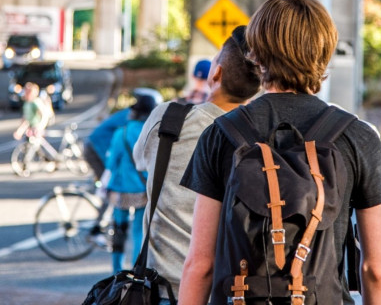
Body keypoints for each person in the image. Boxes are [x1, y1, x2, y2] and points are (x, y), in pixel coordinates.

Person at [179, 0, 381, 305]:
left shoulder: (220, 135)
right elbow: (375, 267)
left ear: (255, 54)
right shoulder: (358, 137)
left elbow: (200, 265)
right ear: (324, 51)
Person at [133, 26, 261, 303]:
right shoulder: (257, 140)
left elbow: (141, 160)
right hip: (224, 292)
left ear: (215, 74)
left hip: (159, 288)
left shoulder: (167, 118)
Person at [103, 92, 160, 273]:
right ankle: (137, 272)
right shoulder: (153, 133)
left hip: (121, 188)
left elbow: (111, 163)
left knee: (119, 230)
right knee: (139, 232)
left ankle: (116, 272)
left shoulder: (122, 132)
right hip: (144, 188)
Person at [84, 87, 163, 181]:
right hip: (97, 147)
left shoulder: (132, 116)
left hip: (96, 145)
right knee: (111, 180)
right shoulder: (134, 120)